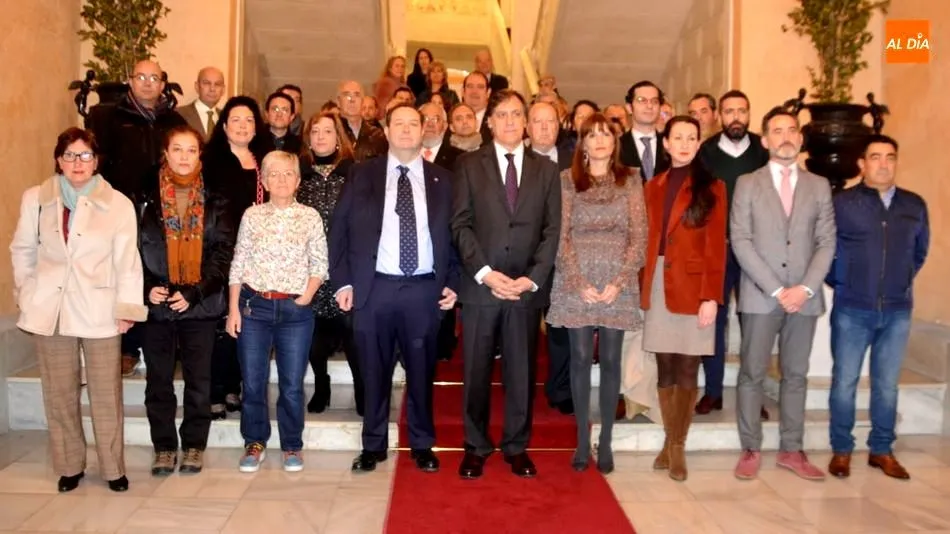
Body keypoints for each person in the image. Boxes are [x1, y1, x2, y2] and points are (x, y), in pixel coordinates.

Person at [10, 127, 146, 493]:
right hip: (51, 310)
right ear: (59, 160)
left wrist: (127, 308)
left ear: (96, 161)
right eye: (69, 155)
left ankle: (113, 468)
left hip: (99, 308)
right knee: (59, 393)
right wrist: (26, 293)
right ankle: (70, 465)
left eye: (85, 155)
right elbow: (22, 249)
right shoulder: (36, 198)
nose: (77, 163)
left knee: (106, 394)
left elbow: (127, 261)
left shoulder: (117, 203)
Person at [331, 103, 459, 473]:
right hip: (374, 289)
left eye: (413, 123)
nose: (405, 130)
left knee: (421, 371)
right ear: (385, 131)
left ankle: (421, 444)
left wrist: (453, 282)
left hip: (423, 290)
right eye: (398, 124)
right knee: (374, 372)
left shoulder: (444, 180)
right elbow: (339, 231)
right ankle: (372, 446)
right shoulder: (361, 174)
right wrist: (343, 282)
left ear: (424, 130)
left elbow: (456, 236)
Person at [452, 89, 561, 479]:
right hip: (482, 287)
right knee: (476, 372)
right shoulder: (468, 165)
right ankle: (476, 446)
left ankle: (517, 446)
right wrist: (485, 273)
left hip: (524, 290)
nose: (510, 121)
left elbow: (552, 229)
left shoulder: (546, 170)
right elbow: (460, 224)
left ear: (526, 122)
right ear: (490, 121)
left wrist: (532, 279)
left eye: (517, 114)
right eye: (502, 114)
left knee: (521, 372)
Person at [731, 107, 836, 481]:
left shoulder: (819, 185)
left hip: (804, 299)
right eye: (777, 131)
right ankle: (751, 447)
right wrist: (777, 289)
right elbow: (741, 240)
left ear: (801, 138)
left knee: (796, 375)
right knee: (752, 373)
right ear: (765, 140)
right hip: (761, 297)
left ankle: (792, 449)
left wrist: (805, 288)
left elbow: (826, 241)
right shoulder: (747, 183)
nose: (786, 137)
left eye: (792, 130)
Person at [546, 113, 647, 474]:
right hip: (576, 282)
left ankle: (605, 441)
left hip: (618, 283)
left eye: (606, 134)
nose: (600, 140)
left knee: (611, 361)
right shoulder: (567, 180)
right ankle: (580, 439)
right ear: (583, 143)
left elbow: (639, 236)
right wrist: (579, 282)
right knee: (578, 358)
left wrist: (619, 281)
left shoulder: (630, 178)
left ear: (615, 141)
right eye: (593, 135)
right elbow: (560, 235)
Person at [826, 135, 929, 480]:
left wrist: (900, 282)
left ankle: (882, 450)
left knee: (887, 385)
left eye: (890, 157)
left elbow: (919, 252)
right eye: (875, 157)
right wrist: (843, 281)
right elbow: (825, 248)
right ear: (862, 164)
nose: (883, 164)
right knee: (845, 382)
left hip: (897, 311)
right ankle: (842, 450)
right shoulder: (842, 203)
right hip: (852, 309)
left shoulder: (914, 205)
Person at [138, 125, 235, 476]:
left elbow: (223, 252)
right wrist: (147, 286)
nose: (183, 156)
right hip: (158, 303)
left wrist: (195, 291)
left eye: (191, 150)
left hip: (199, 303)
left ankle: (194, 444)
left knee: (199, 381)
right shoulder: (144, 197)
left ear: (200, 155)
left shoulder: (216, 198)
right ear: (165, 154)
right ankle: (164, 447)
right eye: (177, 149)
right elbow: (130, 248)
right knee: (158, 382)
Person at [226, 151, 328, 473]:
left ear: (297, 180)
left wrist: (306, 296)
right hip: (254, 308)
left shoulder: (310, 217)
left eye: (288, 173)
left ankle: (291, 444)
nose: (281, 179)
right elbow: (238, 264)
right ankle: (254, 442)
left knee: (292, 384)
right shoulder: (252, 215)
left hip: (295, 312)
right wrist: (233, 310)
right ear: (265, 181)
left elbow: (320, 264)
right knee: (253, 381)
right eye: (274, 173)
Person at [640, 116, 727, 481]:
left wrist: (711, 296)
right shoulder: (652, 186)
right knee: (665, 366)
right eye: (678, 137)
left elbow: (716, 245)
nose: (685, 144)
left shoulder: (713, 186)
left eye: (692, 138)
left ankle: (677, 445)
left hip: (694, 285)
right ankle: (669, 438)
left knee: (689, 366)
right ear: (666, 143)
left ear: (699, 143)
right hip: (659, 281)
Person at [695, 90, 770, 420]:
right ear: (719, 116)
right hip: (718, 250)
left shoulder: (763, 151)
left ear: (749, 114)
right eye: (729, 111)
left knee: (754, 323)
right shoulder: (705, 153)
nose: (736, 117)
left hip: (756, 252)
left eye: (742, 111)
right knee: (714, 322)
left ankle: (754, 394)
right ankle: (713, 391)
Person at [203, 96, 274, 419]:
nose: (243, 126)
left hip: (256, 253)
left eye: (249, 120)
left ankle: (234, 385)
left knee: (246, 319)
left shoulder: (265, 160)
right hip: (220, 251)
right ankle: (214, 390)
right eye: (236, 120)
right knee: (220, 321)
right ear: (224, 126)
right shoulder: (210, 161)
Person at [296, 111, 364, 415]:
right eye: (315, 132)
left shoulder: (355, 173)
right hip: (310, 269)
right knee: (314, 338)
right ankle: (321, 385)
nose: (321, 137)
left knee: (353, 335)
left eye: (327, 131)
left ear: (339, 137)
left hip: (346, 266)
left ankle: (362, 388)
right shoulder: (299, 175)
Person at [374, 56, 407, 120]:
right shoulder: (385, 83)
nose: (400, 68)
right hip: (388, 118)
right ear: (390, 68)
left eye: (402, 66)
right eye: (397, 66)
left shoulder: (403, 84)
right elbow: (381, 107)